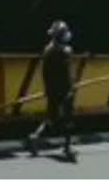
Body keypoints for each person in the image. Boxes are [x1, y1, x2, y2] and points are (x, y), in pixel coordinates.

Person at [30, 20, 76, 160]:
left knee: (51, 116)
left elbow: (44, 73)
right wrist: (71, 89)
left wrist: (47, 88)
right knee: (68, 118)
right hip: (64, 89)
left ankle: (36, 136)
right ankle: (67, 147)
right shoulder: (67, 51)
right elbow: (68, 73)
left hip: (51, 89)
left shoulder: (47, 50)